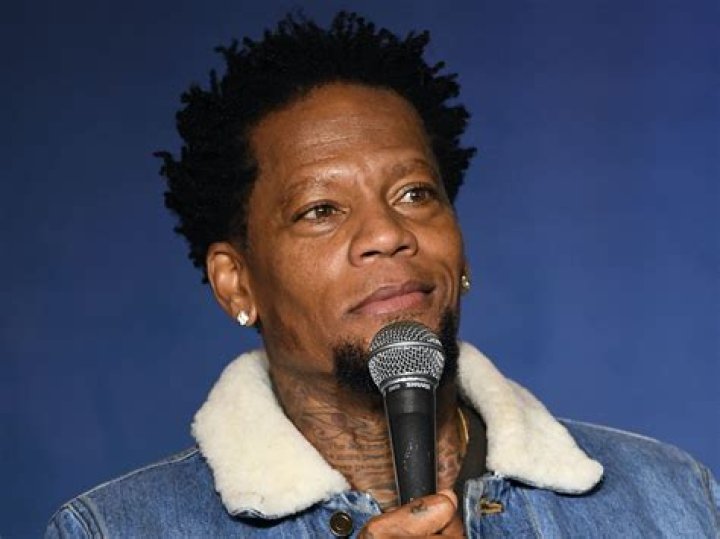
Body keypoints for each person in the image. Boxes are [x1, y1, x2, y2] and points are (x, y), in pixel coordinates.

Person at [46, 12, 718, 538]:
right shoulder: (113, 528)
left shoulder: (672, 498)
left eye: (415, 194)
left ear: (461, 250)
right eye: (320, 210)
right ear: (236, 283)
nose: (387, 234)